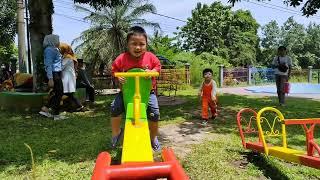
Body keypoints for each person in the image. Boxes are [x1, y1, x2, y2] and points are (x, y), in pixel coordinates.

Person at [110, 26, 161, 151]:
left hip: (147, 92)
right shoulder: (122, 58)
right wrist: (118, 77)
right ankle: (116, 132)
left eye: (142, 44)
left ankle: (153, 137)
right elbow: (114, 70)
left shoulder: (150, 57)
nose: (138, 47)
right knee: (114, 108)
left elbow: (158, 67)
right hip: (126, 92)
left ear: (146, 45)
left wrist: (152, 71)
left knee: (154, 114)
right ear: (127, 45)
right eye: (134, 44)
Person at [39, 34, 66, 120]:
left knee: (57, 92)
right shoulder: (49, 50)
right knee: (59, 92)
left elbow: (58, 63)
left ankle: (46, 109)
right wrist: (50, 78)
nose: (58, 42)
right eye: (57, 40)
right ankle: (55, 114)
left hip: (57, 73)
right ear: (52, 40)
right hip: (53, 73)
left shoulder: (55, 49)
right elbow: (48, 65)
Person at [60, 43, 84, 111]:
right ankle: (74, 107)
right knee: (69, 94)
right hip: (68, 78)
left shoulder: (67, 57)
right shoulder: (69, 57)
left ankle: (78, 106)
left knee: (67, 94)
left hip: (67, 78)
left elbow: (61, 67)